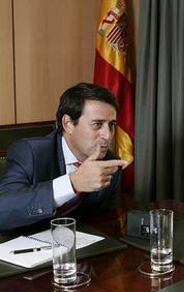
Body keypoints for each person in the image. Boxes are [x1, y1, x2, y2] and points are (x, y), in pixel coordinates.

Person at [0, 83, 128, 231]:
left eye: (111, 125)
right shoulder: (30, 152)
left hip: (82, 250)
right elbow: (3, 209)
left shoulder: (109, 165)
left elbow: (108, 226)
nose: (107, 135)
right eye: (97, 124)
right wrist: (72, 183)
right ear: (68, 124)